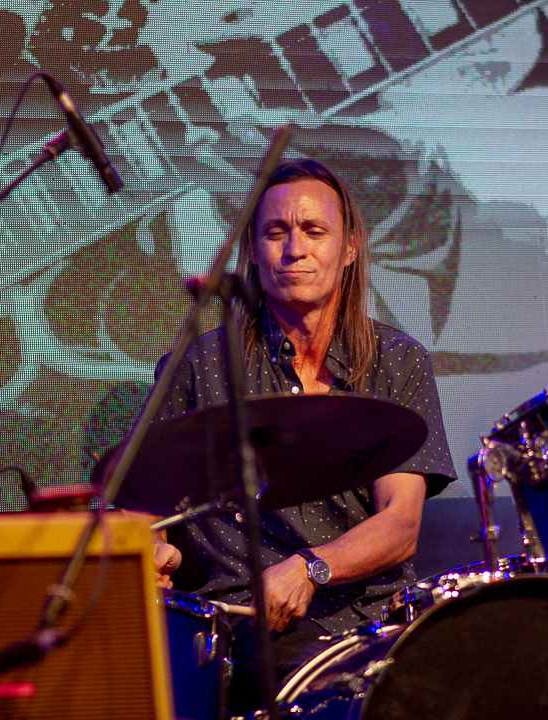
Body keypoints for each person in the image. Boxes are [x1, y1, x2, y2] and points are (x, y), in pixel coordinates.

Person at [149, 158, 456, 711]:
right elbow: (136, 505)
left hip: (376, 621)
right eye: (276, 232)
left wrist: (310, 567)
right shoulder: (198, 365)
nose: (295, 249)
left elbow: (401, 524)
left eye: (315, 231)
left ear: (349, 247)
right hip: (248, 626)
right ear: (253, 249)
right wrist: (150, 551)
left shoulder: (398, 360)